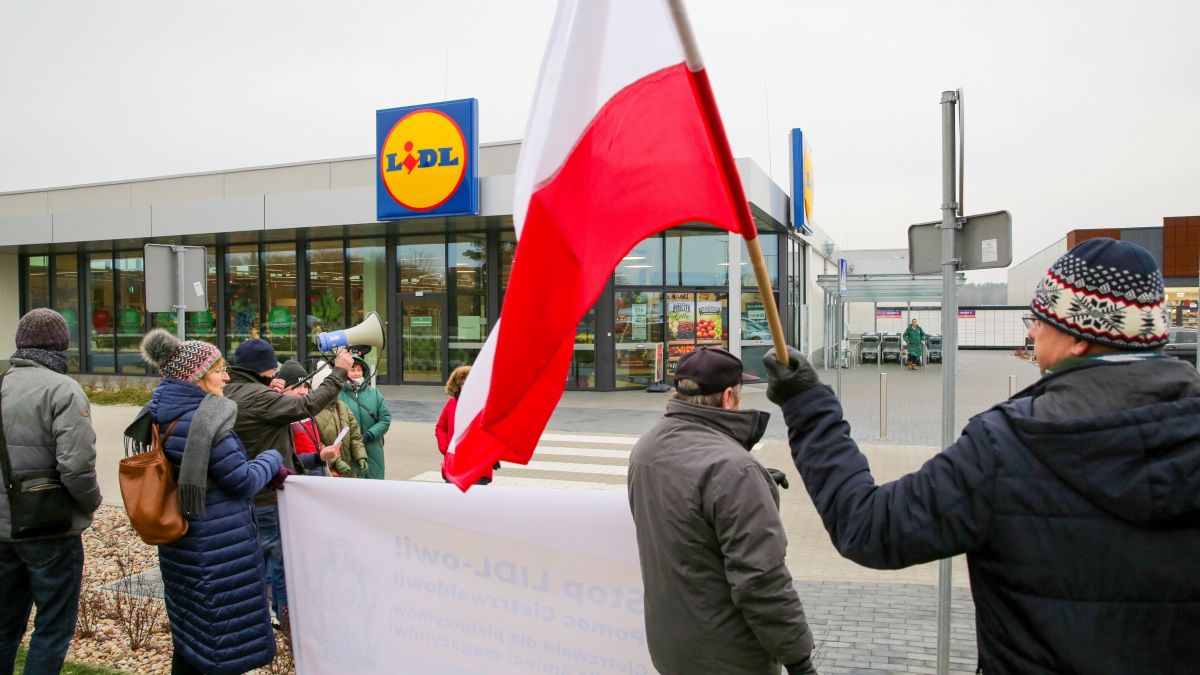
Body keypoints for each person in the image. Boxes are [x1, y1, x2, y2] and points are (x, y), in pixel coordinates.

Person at [764, 237, 1200, 674]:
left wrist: (808, 406)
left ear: (1081, 336)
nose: (1030, 332)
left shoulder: (1008, 445)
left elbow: (869, 526)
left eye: (1040, 320)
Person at [627, 347, 817, 675]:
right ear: (728, 397)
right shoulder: (733, 470)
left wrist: (756, 483)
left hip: (672, 645)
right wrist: (800, 659)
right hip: (728, 657)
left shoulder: (648, 446)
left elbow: (685, 517)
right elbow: (762, 582)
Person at [139, 329, 287, 675]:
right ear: (197, 375)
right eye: (219, 369)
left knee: (193, 635)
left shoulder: (161, 410)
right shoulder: (205, 419)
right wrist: (272, 457)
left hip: (183, 541)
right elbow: (242, 480)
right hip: (217, 546)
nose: (226, 376)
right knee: (223, 641)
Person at [224, 338, 352, 625]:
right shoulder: (258, 397)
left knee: (260, 559)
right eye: (272, 369)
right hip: (267, 494)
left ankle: (263, 614)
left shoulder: (233, 390)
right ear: (263, 370)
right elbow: (306, 406)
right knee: (282, 563)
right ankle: (286, 620)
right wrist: (339, 372)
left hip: (247, 490)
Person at [0, 309, 101, 675]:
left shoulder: (2, 384)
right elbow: (76, 466)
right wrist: (92, 503)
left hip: (3, 531)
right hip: (49, 528)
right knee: (53, 628)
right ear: (62, 345)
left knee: (4, 627)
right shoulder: (63, 389)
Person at [277, 360, 348, 477]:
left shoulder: (307, 413)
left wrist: (327, 465)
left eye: (305, 386)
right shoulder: (281, 418)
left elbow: (316, 443)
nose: (303, 392)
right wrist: (320, 457)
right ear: (282, 389)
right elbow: (287, 461)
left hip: (317, 474)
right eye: (295, 386)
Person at [435, 366, 494, 485]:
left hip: (478, 466)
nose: (465, 387)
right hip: (454, 464)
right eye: (462, 384)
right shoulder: (452, 404)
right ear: (457, 386)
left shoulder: (484, 404)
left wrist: (493, 456)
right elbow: (440, 427)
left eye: (468, 383)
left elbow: (493, 432)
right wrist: (445, 448)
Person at [340, 355, 391, 479]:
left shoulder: (374, 394)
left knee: (374, 489)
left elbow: (385, 418)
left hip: (373, 449)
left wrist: (370, 435)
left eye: (359, 370)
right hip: (349, 450)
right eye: (353, 370)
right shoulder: (338, 395)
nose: (357, 373)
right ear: (345, 372)